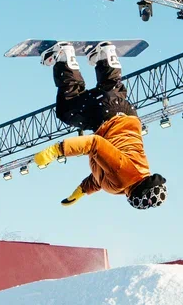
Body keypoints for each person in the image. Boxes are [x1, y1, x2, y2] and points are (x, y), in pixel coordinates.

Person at [32, 42, 168, 210]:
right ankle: (63, 57)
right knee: (68, 109)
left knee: (111, 89)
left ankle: (106, 55)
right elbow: (95, 144)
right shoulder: (124, 177)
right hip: (108, 118)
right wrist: (56, 151)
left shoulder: (135, 175)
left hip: (124, 114)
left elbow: (101, 177)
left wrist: (82, 191)